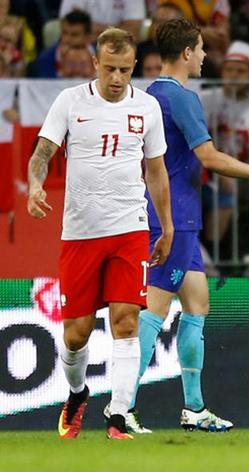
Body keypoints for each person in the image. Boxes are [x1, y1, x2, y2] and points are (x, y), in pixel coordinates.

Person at [103, 18, 249, 434]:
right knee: (152, 312)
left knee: (197, 303)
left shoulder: (149, 94)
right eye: (202, 49)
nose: (206, 56)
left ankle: (193, 408)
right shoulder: (182, 98)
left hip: (167, 215)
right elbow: (208, 157)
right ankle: (121, 407)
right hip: (173, 219)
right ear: (187, 53)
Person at [27, 27, 173, 440]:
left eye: (125, 70)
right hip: (80, 232)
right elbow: (42, 153)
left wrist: (167, 226)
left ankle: (119, 415)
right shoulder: (70, 101)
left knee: (126, 322)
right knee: (76, 333)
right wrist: (36, 185)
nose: (116, 78)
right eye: (109, 68)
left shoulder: (146, 108)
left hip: (130, 228)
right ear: (95, 63)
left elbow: (157, 172)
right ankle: (77, 394)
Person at [200, 40, 249, 263]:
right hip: (203, 170)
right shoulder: (206, 100)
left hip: (241, 176)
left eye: (240, 71)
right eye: (229, 70)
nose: (233, 76)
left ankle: (216, 258)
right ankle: (210, 257)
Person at [29, 9, 93, 78]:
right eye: (64, 33)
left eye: (74, 35)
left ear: (88, 37)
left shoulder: (101, 54)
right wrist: (62, 69)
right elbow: (45, 86)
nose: (67, 39)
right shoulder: (46, 58)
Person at [59, 0, 146, 42]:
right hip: (83, 44)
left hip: (119, 45)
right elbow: (70, 26)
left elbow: (132, 32)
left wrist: (92, 29)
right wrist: (118, 28)